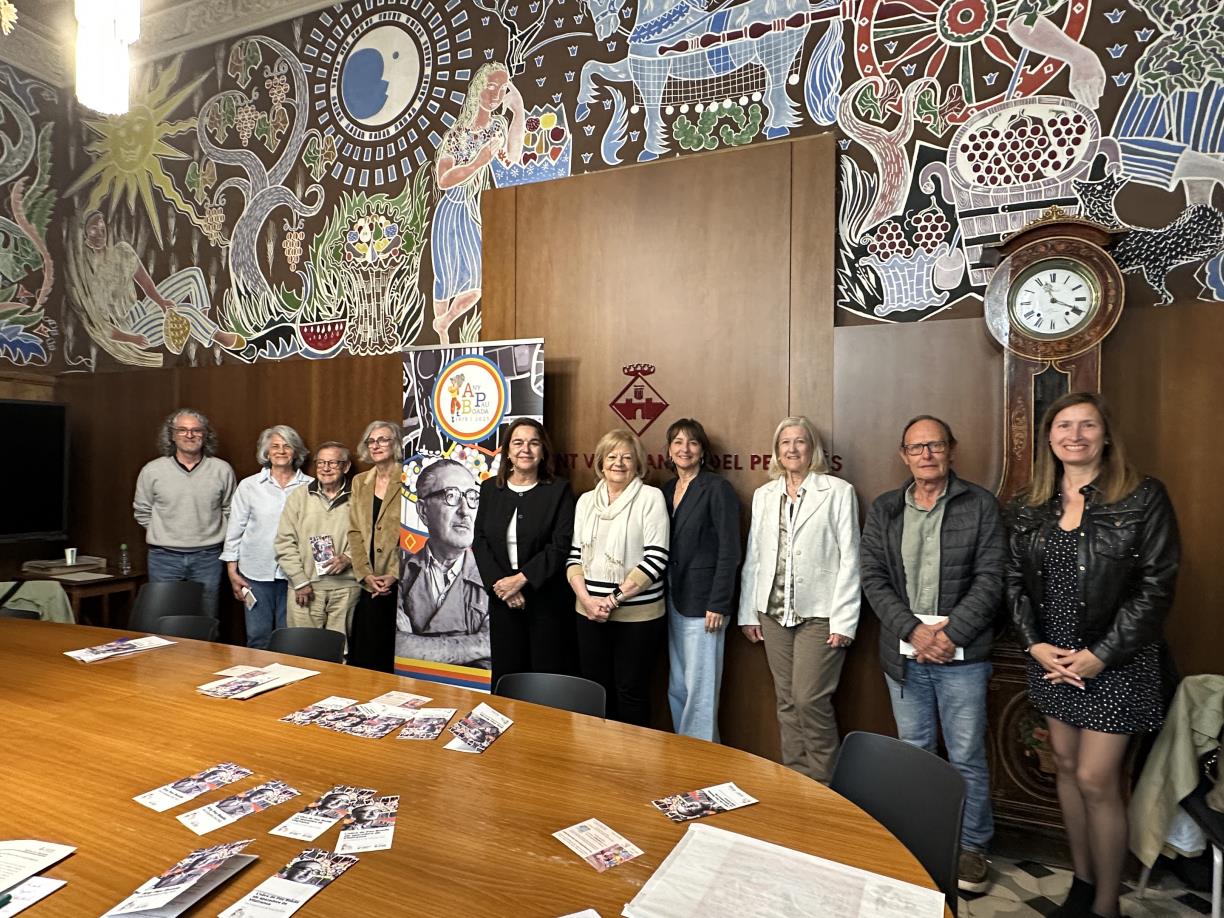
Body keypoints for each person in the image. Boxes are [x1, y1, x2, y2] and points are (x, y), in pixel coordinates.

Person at [1006, 392, 1179, 918]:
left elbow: (1158, 585)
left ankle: (1106, 905)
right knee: (1062, 766)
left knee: (1094, 780)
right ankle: (1081, 885)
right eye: (1063, 426)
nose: (1074, 435)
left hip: (1116, 663)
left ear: (1106, 435)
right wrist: (1034, 646)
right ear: (1049, 437)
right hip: (1052, 660)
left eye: (1087, 425)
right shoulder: (1028, 504)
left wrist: (1100, 655)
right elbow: (1012, 581)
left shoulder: (1143, 496)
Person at [860, 414, 1005, 894]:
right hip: (903, 652)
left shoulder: (980, 505)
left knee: (965, 755)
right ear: (903, 455)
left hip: (963, 655)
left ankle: (972, 847)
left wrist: (951, 634)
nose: (926, 454)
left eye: (935, 445)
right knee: (914, 752)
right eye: (916, 447)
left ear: (951, 450)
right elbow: (873, 578)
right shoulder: (885, 509)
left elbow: (992, 578)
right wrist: (913, 631)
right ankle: (918, 842)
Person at [738, 416, 860, 783]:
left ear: (813, 448)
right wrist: (748, 612)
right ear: (777, 451)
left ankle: (826, 786)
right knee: (787, 703)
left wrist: (844, 622)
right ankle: (796, 782)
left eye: (800, 442)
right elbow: (755, 557)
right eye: (784, 442)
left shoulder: (838, 491)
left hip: (820, 614)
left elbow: (851, 558)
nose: (792, 449)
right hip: (773, 613)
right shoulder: (765, 495)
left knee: (810, 700)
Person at [567, 429, 669, 727]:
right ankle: (598, 761)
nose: (619, 463)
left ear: (638, 464)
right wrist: (587, 600)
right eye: (612, 456)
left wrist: (612, 600)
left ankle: (633, 766)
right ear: (600, 462)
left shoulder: (650, 498)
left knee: (631, 693)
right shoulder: (586, 501)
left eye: (627, 457)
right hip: (588, 613)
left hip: (638, 617)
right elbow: (574, 557)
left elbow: (656, 558)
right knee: (595, 691)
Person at [472, 419, 577, 685]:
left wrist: (520, 580)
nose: (525, 449)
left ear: (543, 451)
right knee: (508, 675)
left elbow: (560, 545)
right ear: (507, 451)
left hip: (547, 601)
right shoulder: (489, 489)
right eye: (518, 443)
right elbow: (480, 541)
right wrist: (502, 585)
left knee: (545, 677)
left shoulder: (559, 490)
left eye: (534, 443)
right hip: (502, 599)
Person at [430, 62, 524, 343]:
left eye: (502, 88)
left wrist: (518, 111)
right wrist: (476, 163)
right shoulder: (456, 136)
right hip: (450, 210)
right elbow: (443, 179)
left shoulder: (497, 126)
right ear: (477, 90)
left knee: (476, 285)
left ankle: (443, 321)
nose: (496, 95)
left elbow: (513, 157)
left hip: (472, 209)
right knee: (444, 279)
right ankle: (444, 340)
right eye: (491, 86)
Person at [661, 418, 740, 742]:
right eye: (678, 442)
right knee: (678, 684)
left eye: (692, 442)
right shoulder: (666, 489)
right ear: (669, 450)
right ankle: (684, 750)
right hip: (671, 597)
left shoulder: (717, 488)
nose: (685, 448)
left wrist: (719, 602)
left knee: (701, 688)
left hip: (705, 603)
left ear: (703, 451)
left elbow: (730, 549)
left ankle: (703, 757)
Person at [133, 409, 236, 618]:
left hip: (208, 557)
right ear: (171, 435)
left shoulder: (222, 470)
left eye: (196, 430)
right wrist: (166, 533)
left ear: (205, 435)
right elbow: (142, 511)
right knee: (163, 619)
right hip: (163, 557)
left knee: (206, 618)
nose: (190, 435)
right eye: (182, 430)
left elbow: (231, 510)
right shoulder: (152, 470)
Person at [221, 426, 311, 649]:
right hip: (255, 574)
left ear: (296, 451)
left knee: (288, 638)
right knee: (258, 636)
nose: (281, 451)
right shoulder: (249, 486)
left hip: (296, 575)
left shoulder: (310, 486)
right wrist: (232, 570)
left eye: (287, 446)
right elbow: (235, 530)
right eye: (275, 446)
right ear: (266, 452)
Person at [397, 459, 491, 669]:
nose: (465, 510)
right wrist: (478, 644)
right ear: (422, 511)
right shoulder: (401, 571)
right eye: (452, 496)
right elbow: (397, 646)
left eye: (471, 497)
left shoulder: (492, 574)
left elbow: (495, 650)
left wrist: (418, 645)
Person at [275, 441, 361, 646]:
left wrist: (349, 557)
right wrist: (300, 581)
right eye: (321, 462)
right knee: (302, 649)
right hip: (305, 587)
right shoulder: (299, 496)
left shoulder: (360, 497)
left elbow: (370, 537)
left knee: (340, 651)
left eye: (333, 462)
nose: (326, 468)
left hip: (346, 588)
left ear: (346, 466)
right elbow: (284, 541)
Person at [348, 420, 403, 672]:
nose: (376, 445)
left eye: (383, 439)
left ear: (396, 443)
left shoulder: (409, 478)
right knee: (367, 651)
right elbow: (355, 530)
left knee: (393, 652)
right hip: (369, 579)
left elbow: (417, 533)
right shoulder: (360, 481)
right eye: (371, 441)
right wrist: (365, 574)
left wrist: (394, 573)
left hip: (400, 580)